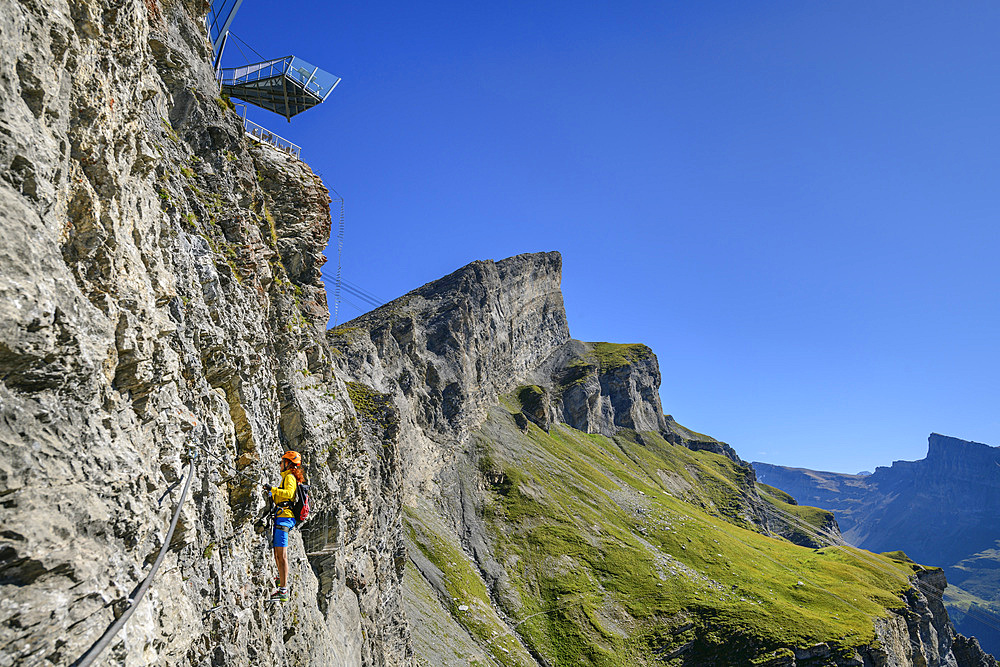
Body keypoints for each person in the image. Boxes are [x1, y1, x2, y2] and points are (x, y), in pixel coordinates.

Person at [264, 450, 303, 602]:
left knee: (282, 555)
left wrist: (272, 489)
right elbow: (282, 495)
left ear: (288, 464)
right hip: (282, 517)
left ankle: (284, 590)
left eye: (282, 462)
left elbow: (288, 493)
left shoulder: (290, 477)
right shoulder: (287, 477)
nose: (280, 464)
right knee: (277, 554)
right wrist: (271, 493)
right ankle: (282, 579)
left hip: (284, 519)